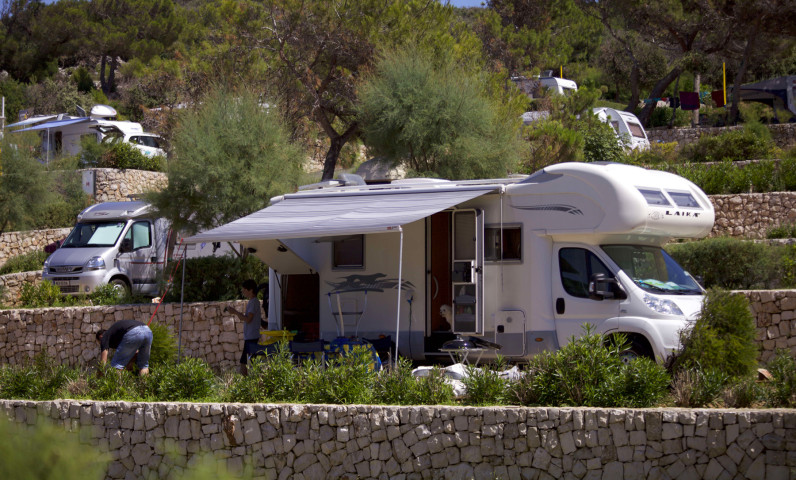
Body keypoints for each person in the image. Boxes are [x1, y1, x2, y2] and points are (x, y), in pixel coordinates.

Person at [226, 279, 265, 376]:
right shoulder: (253, 302)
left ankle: (245, 381)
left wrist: (235, 312)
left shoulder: (253, 302)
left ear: (250, 290)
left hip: (252, 336)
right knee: (250, 361)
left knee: (244, 361)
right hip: (251, 336)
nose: (243, 292)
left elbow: (248, 319)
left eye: (244, 290)